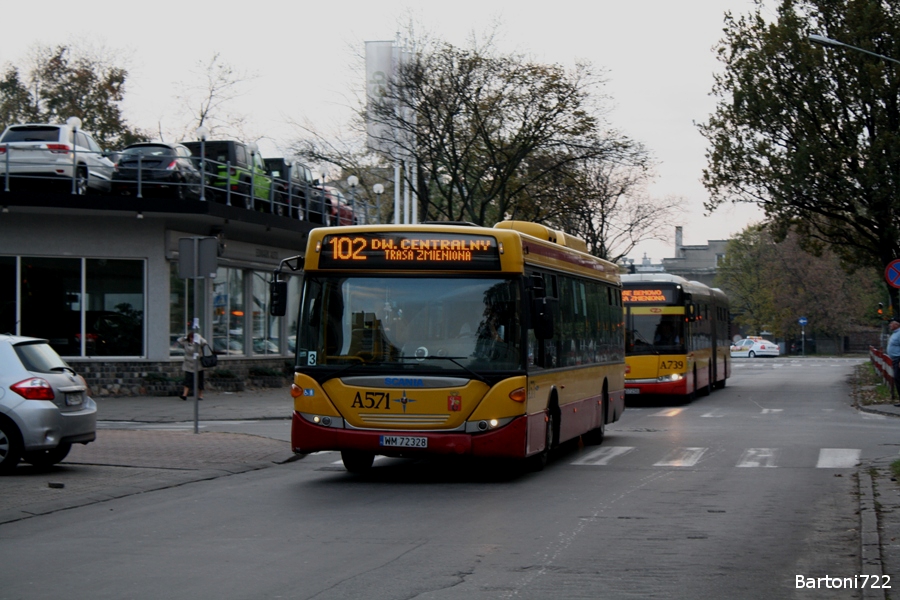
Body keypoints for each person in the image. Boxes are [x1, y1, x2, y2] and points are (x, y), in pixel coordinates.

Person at [177, 330, 208, 400]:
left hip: (198, 364)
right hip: (188, 364)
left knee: (200, 380)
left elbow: (205, 342)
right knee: (188, 380)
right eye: (191, 337)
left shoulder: (199, 343)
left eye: (193, 337)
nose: (192, 339)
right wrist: (185, 337)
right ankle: (184, 395)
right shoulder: (186, 343)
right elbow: (179, 340)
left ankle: (200, 395)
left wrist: (200, 337)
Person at [887, 319, 900, 405]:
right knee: (897, 379)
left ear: (897, 324)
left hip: (898, 360)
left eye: (891, 323)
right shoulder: (895, 333)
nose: (890, 325)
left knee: (898, 379)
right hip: (895, 360)